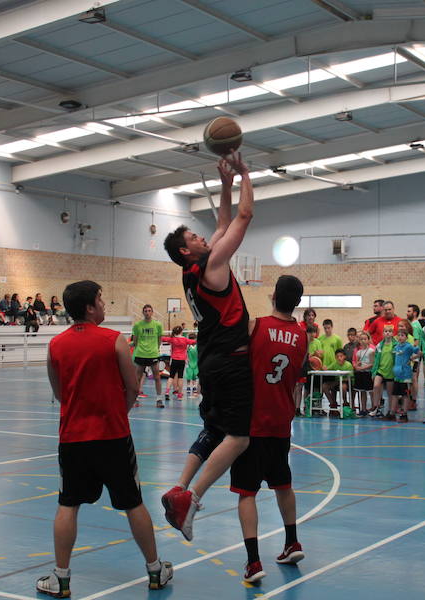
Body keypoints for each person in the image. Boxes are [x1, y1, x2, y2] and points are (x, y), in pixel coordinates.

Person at [37, 280, 172, 597]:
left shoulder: (55, 345)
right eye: (100, 299)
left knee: (67, 504)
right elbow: (133, 388)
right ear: (89, 307)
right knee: (133, 503)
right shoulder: (115, 341)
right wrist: (117, 412)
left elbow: (59, 394)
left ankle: (61, 578)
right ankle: (155, 571)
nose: (104, 303)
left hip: (72, 439)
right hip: (112, 436)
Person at [161, 150, 254, 541]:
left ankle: (179, 485)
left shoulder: (191, 271)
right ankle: (192, 498)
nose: (202, 236)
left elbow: (221, 221)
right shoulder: (213, 266)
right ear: (186, 250)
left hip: (212, 361)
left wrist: (227, 184)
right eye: (194, 237)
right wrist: (247, 174)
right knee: (239, 436)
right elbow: (243, 219)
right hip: (230, 362)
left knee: (213, 430)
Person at [231, 275, 308, 584]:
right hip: (281, 420)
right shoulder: (302, 336)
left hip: (253, 421)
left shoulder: (255, 326)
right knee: (282, 484)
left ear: (273, 295)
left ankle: (253, 561)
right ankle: (292, 542)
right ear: (298, 303)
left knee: (246, 493)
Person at [130, 305, 165, 407]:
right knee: (138, 378)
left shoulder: (158, 325)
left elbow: (159, 340)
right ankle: (134, 399)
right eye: (145, 311)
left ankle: (159, 400)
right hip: (140, 354)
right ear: (143, 312)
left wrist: (156, 349)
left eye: (149, 311)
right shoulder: (137, 325)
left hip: (153, 354)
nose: (147, 312)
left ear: (152, 312)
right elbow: (135, 342)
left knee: (157, 377)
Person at [385, 328, 420, 422]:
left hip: (405, 375)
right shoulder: (396, 347)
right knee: (395, 394)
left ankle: (404, 414)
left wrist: (413, 358)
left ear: (406, 337)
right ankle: (392, 413)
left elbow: (419, 352)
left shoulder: (408, 347)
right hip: (397, 375)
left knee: (405, 395)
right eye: (399, 335)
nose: (400, 337)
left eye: (402, 335)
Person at [162, 325, 196, 401]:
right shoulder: (185, 340)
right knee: (180, 377)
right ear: (181, 332)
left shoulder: (172, 339)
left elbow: (162, 338)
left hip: (174, 360)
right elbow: (194, 341)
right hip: (181, 361)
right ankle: (180, 395)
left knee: (171, 377)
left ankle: (167, 392)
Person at [370, 324, 396, 418]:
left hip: (390, 372)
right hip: (380, 370)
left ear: (393, 333)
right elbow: (376, 359)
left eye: (389, 331)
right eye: (385, 331)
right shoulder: (379, 345)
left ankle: (390, 410)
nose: (387, 333)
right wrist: (374, 371)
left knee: (390, 393)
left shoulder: (395, 345)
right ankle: (376, 407)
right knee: (376, 386)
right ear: (383, 333)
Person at [353, 331, 375, 416]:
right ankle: (363, 409)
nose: (363, 341)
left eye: (365, 339)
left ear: (368, 340)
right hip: (360, 374)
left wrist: (362, 368)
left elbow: (372, 364)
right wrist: (357, 366)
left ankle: (374, 407)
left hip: (368, 373)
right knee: (362, 392)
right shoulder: (358, 352)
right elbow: (357, 363)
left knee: (371, 391)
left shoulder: (371, 351)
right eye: (361, 339)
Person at [406, 304, 423, 410]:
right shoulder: (414, 324)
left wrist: (410, 355)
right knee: (412, 379)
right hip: (413, 356)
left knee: (414, 379)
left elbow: (416, 342)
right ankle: (411, 400)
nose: (407, 313)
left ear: (415, 313)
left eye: (409, 311)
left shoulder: (415, 325)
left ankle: (413, 401)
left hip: (413, 357)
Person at [185, 333, 199, 397]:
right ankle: (188, 386)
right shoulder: (188, 346)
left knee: (194, 376)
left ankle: (194, 386)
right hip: (189, 362)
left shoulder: (197, 346)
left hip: (196, 362)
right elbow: (186, 354)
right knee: (189, 376)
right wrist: (186, 360)